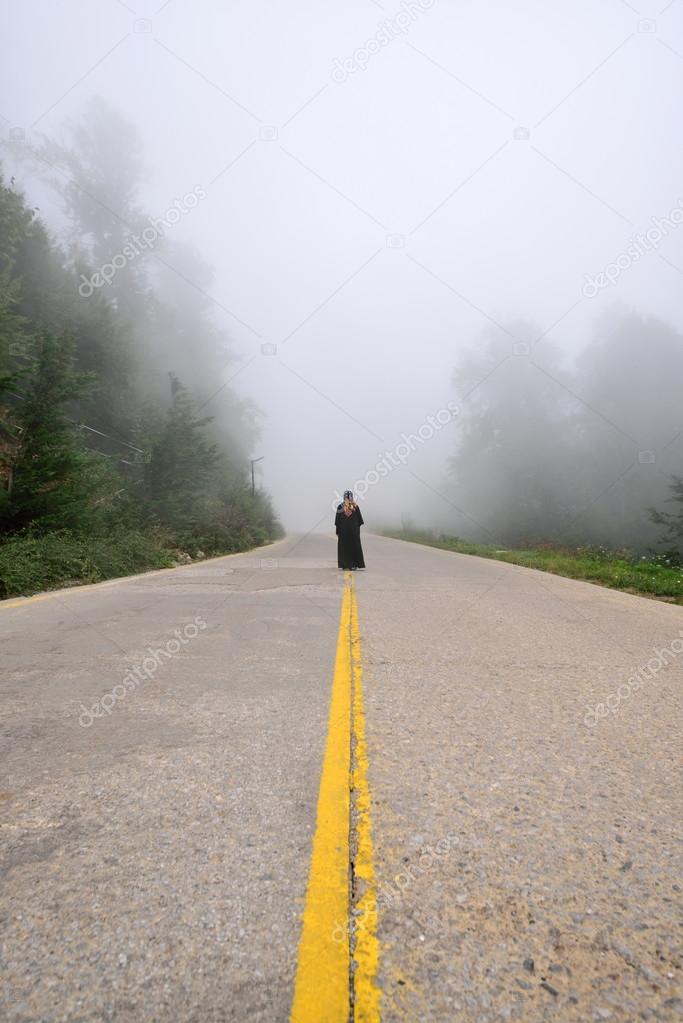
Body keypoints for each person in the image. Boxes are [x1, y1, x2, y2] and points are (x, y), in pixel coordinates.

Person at [335, 490, 365, 570]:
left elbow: (337, 521)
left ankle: (345, 565)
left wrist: (337, 531)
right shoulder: (355, 507)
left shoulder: (340, 507)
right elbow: (359, 521)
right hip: (354, 533)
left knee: (344, 548)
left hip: (343, 532)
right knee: (354, 547)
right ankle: (354, 564)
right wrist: (356, 530)